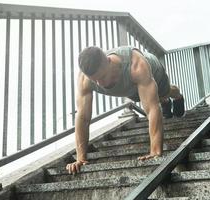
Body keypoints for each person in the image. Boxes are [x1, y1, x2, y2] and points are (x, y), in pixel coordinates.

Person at [66, 46, 185, 174]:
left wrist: (155, 152)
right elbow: (83, 118)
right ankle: (164, 101)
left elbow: (151, 110)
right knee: (146, 97)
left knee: (164, 93)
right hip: (131, 88)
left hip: (153, 72)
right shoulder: (84, 79)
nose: (100, 83)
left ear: (109, 61)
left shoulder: (137, 65)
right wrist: (80, 158)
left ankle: (176, 96)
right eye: (94, 80)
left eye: (102, 76)